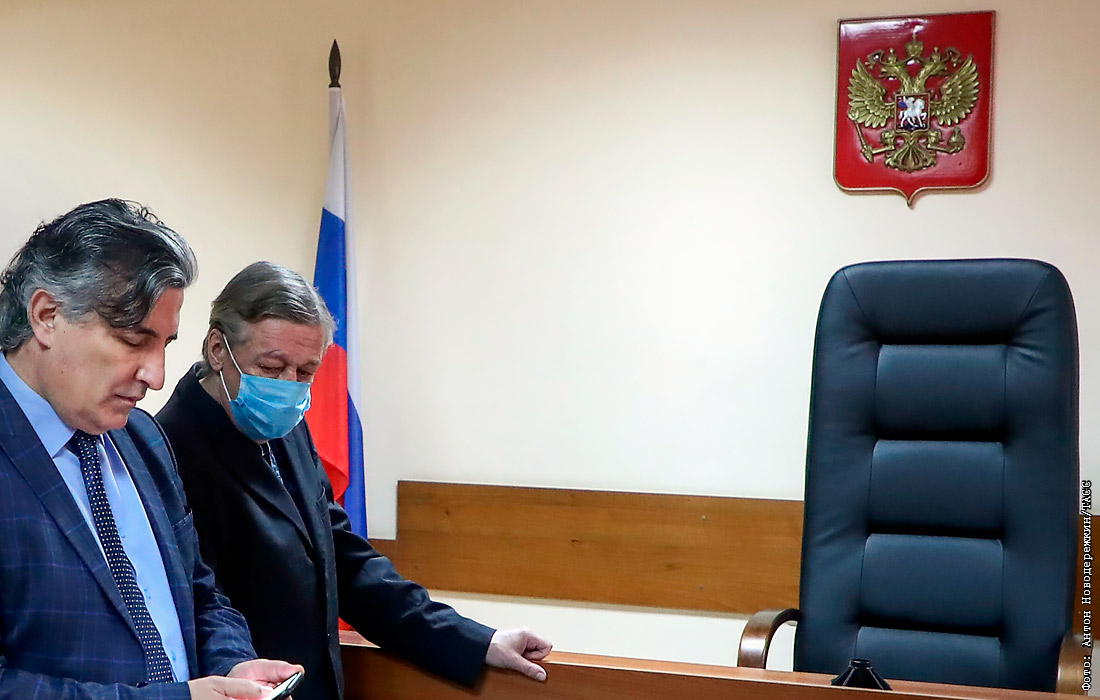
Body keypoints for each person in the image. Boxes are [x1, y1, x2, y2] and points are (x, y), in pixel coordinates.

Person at [157, 261, 552, 700]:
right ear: (217, 349)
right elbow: (199, 608)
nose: (289, 386)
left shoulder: (285, 426)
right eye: (272, 367)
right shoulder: (167, 449)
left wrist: (477, 641)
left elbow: (345, 561)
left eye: (306, 371)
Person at [0, 200, 302, 700]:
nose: (156, 376)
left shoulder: (143, 439)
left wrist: (233, 664)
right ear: (47, 315)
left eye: (165, 344)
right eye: (133, 340)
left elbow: (199, 593)